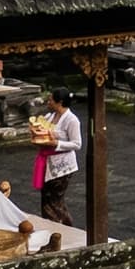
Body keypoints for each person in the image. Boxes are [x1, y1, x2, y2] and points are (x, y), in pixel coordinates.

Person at [36, 88, 81, 227]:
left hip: (63, 164)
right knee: (47, 197)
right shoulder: (50, 116)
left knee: (54, 199)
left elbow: (77, 144)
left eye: (51, 100)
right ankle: (53, 225)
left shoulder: (72, 120)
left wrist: (56, 143)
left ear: (59, 102)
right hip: (48, 160)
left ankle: (61, 226)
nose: (48, 102)